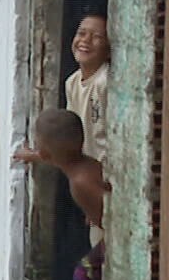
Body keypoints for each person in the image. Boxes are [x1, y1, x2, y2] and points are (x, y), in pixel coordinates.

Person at [15, 14, 111, 237]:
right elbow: (67, 140)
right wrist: (39, 154)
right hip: (90, 173)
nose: (85, 40)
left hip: (104, 178)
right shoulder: (73, 82)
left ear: (108, 49)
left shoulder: (106, 83)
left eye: (96, 36)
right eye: (81, 33)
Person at [26, 108, 108, 280]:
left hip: (116, 240)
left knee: (84, 271)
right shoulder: (86, 165)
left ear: (45, 154)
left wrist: (94, 216)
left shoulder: (78, 184)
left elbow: (105, 220)